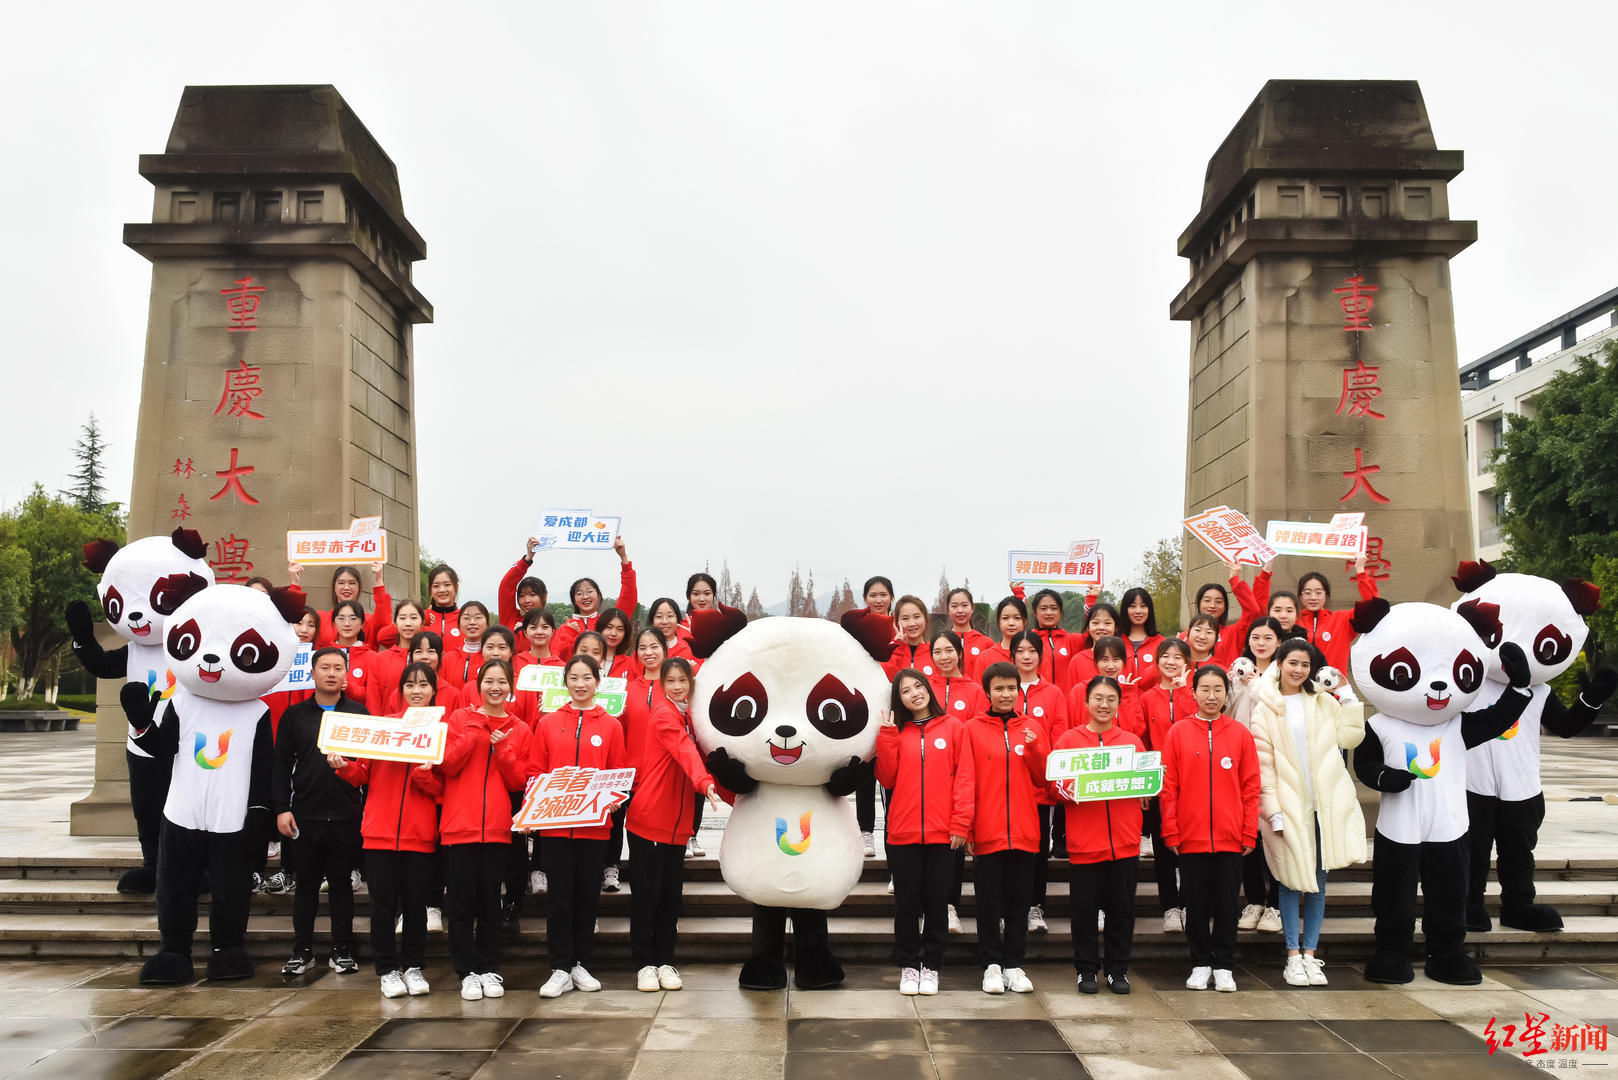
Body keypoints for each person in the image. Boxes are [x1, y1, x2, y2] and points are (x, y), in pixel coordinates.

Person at [1250, 639, 1366, 987]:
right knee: (1289, 880)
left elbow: (1350, 739)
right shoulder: (1265, 708)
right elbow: (1264, 765)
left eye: (1305, 664)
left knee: (1318, 881)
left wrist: (1347, 697)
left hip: (1324, 804)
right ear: (1280, 664)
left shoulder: (1322, 703)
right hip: (1287, 805)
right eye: (1293, 663)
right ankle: (1292, 955)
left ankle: (1311, 954)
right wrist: (1272, 810)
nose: (1298, 670)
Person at [330, 661, 446, 997]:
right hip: (379, 832)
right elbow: (362, 773)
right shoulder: (384, 727)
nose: (416, 690)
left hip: (419, 834)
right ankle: (387, 969)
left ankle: (412, 966)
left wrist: (424, 773)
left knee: (415, 906)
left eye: (423, 685)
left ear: (433, 691)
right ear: (401, 690)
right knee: (382, 906)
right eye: (409, 684)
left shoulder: (440, 731)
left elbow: (442, 789)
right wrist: (343, 768)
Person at [531, 655, 627, 999]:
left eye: (587, 677)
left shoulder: (611, 725)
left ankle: (579, 964)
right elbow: (535, 772)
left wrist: (615, 798)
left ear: (597, 683)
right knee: (559, 900)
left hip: (593, 830)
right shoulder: (548, 723)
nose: (581, 683)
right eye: (574, 677)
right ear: (565, 683)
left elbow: (618, 774)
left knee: (587, 898)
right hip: (556, 830)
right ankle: (559, 967)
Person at [1161, 664, 1260, 993]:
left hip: (1231, 839)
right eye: (1205, 689)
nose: (1211, 695)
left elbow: (1250, 787)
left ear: (1226, 693)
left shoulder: (1239, 734)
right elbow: (1169, 787)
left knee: (1228, 904)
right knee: (1196, 903)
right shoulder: (1177, 733)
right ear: (1193, 693)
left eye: (1218, 689)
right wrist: (1171, 831)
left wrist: (1248, 832)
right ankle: (1200, 962)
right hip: (1191, 838)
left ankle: (1224, 964)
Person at [627, 658, 722, 991]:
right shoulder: (666, 715)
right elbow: (684, 751)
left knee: (670, 898)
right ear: (662, 684)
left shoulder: (689, 717)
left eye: (683, 680)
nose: (677, 686)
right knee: (647, 898)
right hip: (649, 820)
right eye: (671, 681)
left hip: (677, 827)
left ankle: (665, 961)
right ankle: (644, 963)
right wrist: (704, 781)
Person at [441, 659, 533, 1001]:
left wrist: (502, 748)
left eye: (502, 681)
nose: (496, 687)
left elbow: (519, 782)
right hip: (459, 827)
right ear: (478, 685)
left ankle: (489, 968)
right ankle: (466, 971)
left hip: (497, 829)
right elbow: (447, 764)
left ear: (511, 687)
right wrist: (474, 731)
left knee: (491, 904)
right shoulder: (459, 719)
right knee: (462, 905)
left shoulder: (519, 728)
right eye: (489, 681)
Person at [876, 671, 973, 997]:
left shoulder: (953, 728)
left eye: (918, 686)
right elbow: (886, 779)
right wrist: (887, 737)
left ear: (928, 689)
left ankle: (931, 966)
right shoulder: (896, 732)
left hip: (943, 833)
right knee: (906, 905)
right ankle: (909, 965)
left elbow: (965, 779)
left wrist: (961, 824)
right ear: (899, 699)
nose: (914, 693)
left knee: (936, 904)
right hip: (902, 832)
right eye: (906, 690)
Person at [273, 647, 367, 977]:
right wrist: (282, 809)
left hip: (346, 815)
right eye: (324, 667)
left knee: (342, 886)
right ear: (312, 673)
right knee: (307, 886)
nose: (331, 673)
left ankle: (342, 950)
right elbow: (281, 765)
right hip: (306, 816)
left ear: (346, 674)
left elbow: (367, 767)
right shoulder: (295, 715)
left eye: (338, 668)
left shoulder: (358, 713)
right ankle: (303, 950)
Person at [1055, 676, 1145, 995]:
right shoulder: (1068, 741)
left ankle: (1118, 969)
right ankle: (1086, 970)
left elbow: (1143, 788)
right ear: (1086, 702)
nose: (1104, 705)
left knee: (1122, 910)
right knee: (1084, 911)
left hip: (1124, 842)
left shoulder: (1133, 742)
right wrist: (1067, 789)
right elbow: (1057, 787)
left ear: (1119, 704)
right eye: (1098, 698)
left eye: (1110, 699)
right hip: (1084, 843)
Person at [962, 661, 1048, 995]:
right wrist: (968, 829)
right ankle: (992, 965)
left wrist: (1036, 748)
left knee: (1018, 901)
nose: (1006, 693)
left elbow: (1044, 780)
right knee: (988, 902)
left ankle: (1014, 964)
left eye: (1011, 688)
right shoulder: (972, 729)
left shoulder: (1032, 727)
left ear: (1019, 690)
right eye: (999, 688)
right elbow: (967, 781)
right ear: (987, 692)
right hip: (987, 831)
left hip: (1025, 830)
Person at [1008, 629, 1068, 935]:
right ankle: (1011, 907)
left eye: (1032, 651)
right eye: (1021, 651)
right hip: (1008, 787)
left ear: (1040, 657)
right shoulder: (1005, 689)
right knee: (1010, 849)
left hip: (1041, 787)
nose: (1027, 656)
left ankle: (1035, 906)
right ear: (1013, 655)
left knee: (1038, 849)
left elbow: (1059, 736)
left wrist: (1050, 775)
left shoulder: (1054, 693)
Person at [1229, 616, 1286, 934]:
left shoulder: (1282, 675)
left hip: (1273, 764)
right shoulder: (1237, 669)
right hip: (1239, 761)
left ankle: (1276, 905)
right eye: (1255, 637)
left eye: (1267, 637)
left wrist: (1256, 685)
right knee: (1247, 831)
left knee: (1274, 835)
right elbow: (1225, 709)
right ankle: (1254, 900)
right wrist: (1237, 683)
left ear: (1279, 641)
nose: (1260, 643)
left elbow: (1279, 709)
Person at [926, 629, 983, 934]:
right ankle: (932, 903)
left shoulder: (975, 690)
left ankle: (950, 906)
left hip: (962, 773)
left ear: (960, 653)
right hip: (928, 777)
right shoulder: (925, 687)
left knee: (955, 842)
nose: (944, 657)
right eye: (937, 652)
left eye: (949, 650)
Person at [1139, 638, 1197, 932]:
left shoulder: (1194, 693)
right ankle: (1170, 907)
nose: (1171, 661)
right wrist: (1146, 786)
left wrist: (1185, 689)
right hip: (1160, 784)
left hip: (1192, 781)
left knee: (1189, 846)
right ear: (1157, 661)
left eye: (1178, 657)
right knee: (1163, 847)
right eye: (1166, 656)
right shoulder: (1147, 697)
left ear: (1187, 662)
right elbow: (1143, 742)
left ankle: (1188, 903)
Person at [1259, 554, 1378, 674]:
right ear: (1300, 596)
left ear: (1326, 595)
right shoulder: (1292, 620)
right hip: (1296, 688)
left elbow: (1374, 606)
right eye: (1307, 592)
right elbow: (1263, 605)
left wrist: (1360, 570)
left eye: (1318, 592)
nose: (1313, 597)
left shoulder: (1342, 620)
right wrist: (1267, 568)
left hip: (1332, 689)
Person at [853, 575, 898, 857]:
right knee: (864, 776)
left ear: (891, 597)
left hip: (894, 712)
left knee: (892, 779)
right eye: (873, 595)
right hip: (865, 712)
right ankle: (866, 832)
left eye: (883, 594)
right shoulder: (857, 632)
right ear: (865, 599)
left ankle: (893, 835)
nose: (879, 600)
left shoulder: (900, 627)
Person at [551, 536, 639, 659]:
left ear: (599, 596)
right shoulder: (566, 627)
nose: (585, 596)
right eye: (579, 593)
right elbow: (554, 657)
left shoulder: (608, 622)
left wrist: (624, 558)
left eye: (589, 592)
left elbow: (629, 598)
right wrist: (568, 632)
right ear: (574, 601)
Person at [287, 560, 394, 649]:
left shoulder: (368, 621)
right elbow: (292, 615)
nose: (346, 587)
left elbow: (384, 621)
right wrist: (295, 581)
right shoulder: (320, 618)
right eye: (341, 583)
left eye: (352, 583)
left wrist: (379, 580)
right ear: (334, 586)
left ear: (359, 587)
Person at [1190, 563, 1264, 668]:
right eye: (1207, 600)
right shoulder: (1185, 636)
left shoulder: (1233, 633)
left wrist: (1235, 580)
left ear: (1225, 606)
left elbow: (1253, 611)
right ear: (1199, 603)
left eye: (1218, 601)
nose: (1212, 605)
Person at [367, 600, 426, 715]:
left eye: (414, 618)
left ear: (422, 623)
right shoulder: (380, 659)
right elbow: (373, 700)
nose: (408, 623)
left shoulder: (430, 658)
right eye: (402, 618)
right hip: (388, 726)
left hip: (421, 726)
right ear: (395, 623)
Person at [496, 538, 550, 630]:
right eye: (522, 596)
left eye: (532, 595)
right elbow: (506, 585)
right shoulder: (511, 619)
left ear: (544, 596)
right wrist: (527, 559)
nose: (527, 600)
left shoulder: (550, 628)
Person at [1118, 587, 1165, 685]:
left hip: (1152, 700)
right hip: (1122, 699)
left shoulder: (1161, 643)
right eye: (1132, 606)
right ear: (1125, 609)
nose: (1138, 611)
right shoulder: (1115, 642)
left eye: (1143, 606)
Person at [442, 601, 492, 692]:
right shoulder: (448, 658)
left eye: (478, 617)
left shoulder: (492, 657)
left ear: (487, 623)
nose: (472, 622)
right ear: (459, 624)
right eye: (466, 618)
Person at [945, 587, 996, 675]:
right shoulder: (941, 642)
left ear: (972, 608)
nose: (960, 610)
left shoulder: (986, 643)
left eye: (964, 605)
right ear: (948, 610)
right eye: (954, 606)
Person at [883, 595, 935, 678]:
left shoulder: (935, 652)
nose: (912, 623)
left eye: (917, 617)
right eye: (905, 618)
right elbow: (883, 678)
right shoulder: (889, 653)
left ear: (925, 618)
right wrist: (898, 648)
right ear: (896, 622)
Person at [423, 564, 463, 641]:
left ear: (456, 587)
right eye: (436, 586)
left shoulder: (464, 618)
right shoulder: (420, 618)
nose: (442, 590)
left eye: (447, 585)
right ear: (430, 589)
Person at [595, 608, 637, 680]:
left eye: (620, 629)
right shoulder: (588, 659)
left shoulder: (631, 664)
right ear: (600, 628)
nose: (613, 633)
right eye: (609, 627)